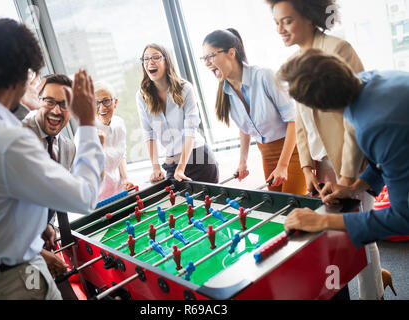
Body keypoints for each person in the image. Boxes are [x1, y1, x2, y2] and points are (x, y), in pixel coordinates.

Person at [0, 19, 105, 300]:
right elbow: (85, 197)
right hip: (10, 284)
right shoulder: (9, 139)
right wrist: (86, 122)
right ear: (20, 74)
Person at [267, 0, 387, 300]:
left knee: (358, 233)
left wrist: (347, 178)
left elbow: (359, 116)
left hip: (351, 161)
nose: (280, 29)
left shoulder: (339, 49)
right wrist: (307, 168)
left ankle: (373, 294)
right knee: (336, 237)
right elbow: (302, 121)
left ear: (308, 16)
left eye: (287, 21)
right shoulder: (297, 59)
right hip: (320, 164)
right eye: (276, 22)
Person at [278, 49, 408, 298]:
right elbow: (386, 159)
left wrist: (323, 221)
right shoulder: (370, 81)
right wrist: (354, 187)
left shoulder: (374, 125)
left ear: (319, 107)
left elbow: (403, 217)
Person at [202, 29, 305, 194]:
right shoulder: (226, 91)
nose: (206, 63)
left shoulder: (264, 76)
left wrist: (283, 166)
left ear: (231, 53)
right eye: (204, 58)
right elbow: (245, 127)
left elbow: (294, 120)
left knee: (292, 208)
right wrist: (242, 162)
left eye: (210, 56)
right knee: (276, 208)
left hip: (294, 151)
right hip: (267, 154)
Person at [136, 43, 219, 183]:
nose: (150, 62)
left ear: (166, 61)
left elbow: (190, 131)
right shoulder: (142, 95)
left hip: (199, 159)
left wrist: (181, 168)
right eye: (146, 59)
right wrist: (155, 167)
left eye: (156, 57)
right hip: (171, 164)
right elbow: (148, 133)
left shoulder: (185, 88)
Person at [22, 74, 76, 253]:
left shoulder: (68, 148)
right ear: (37, 100)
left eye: (64, 104)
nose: (57, 111)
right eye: (49, 101)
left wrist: (48, 225)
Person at [94, 81, 134, 201]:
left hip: (120, 191)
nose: (102, 108)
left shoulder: (119, 123)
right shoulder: (85, 132)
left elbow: (120, 155)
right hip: (98, 199)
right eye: (96, 103)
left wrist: (126, 178)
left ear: (115, 102)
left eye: (106, 101)